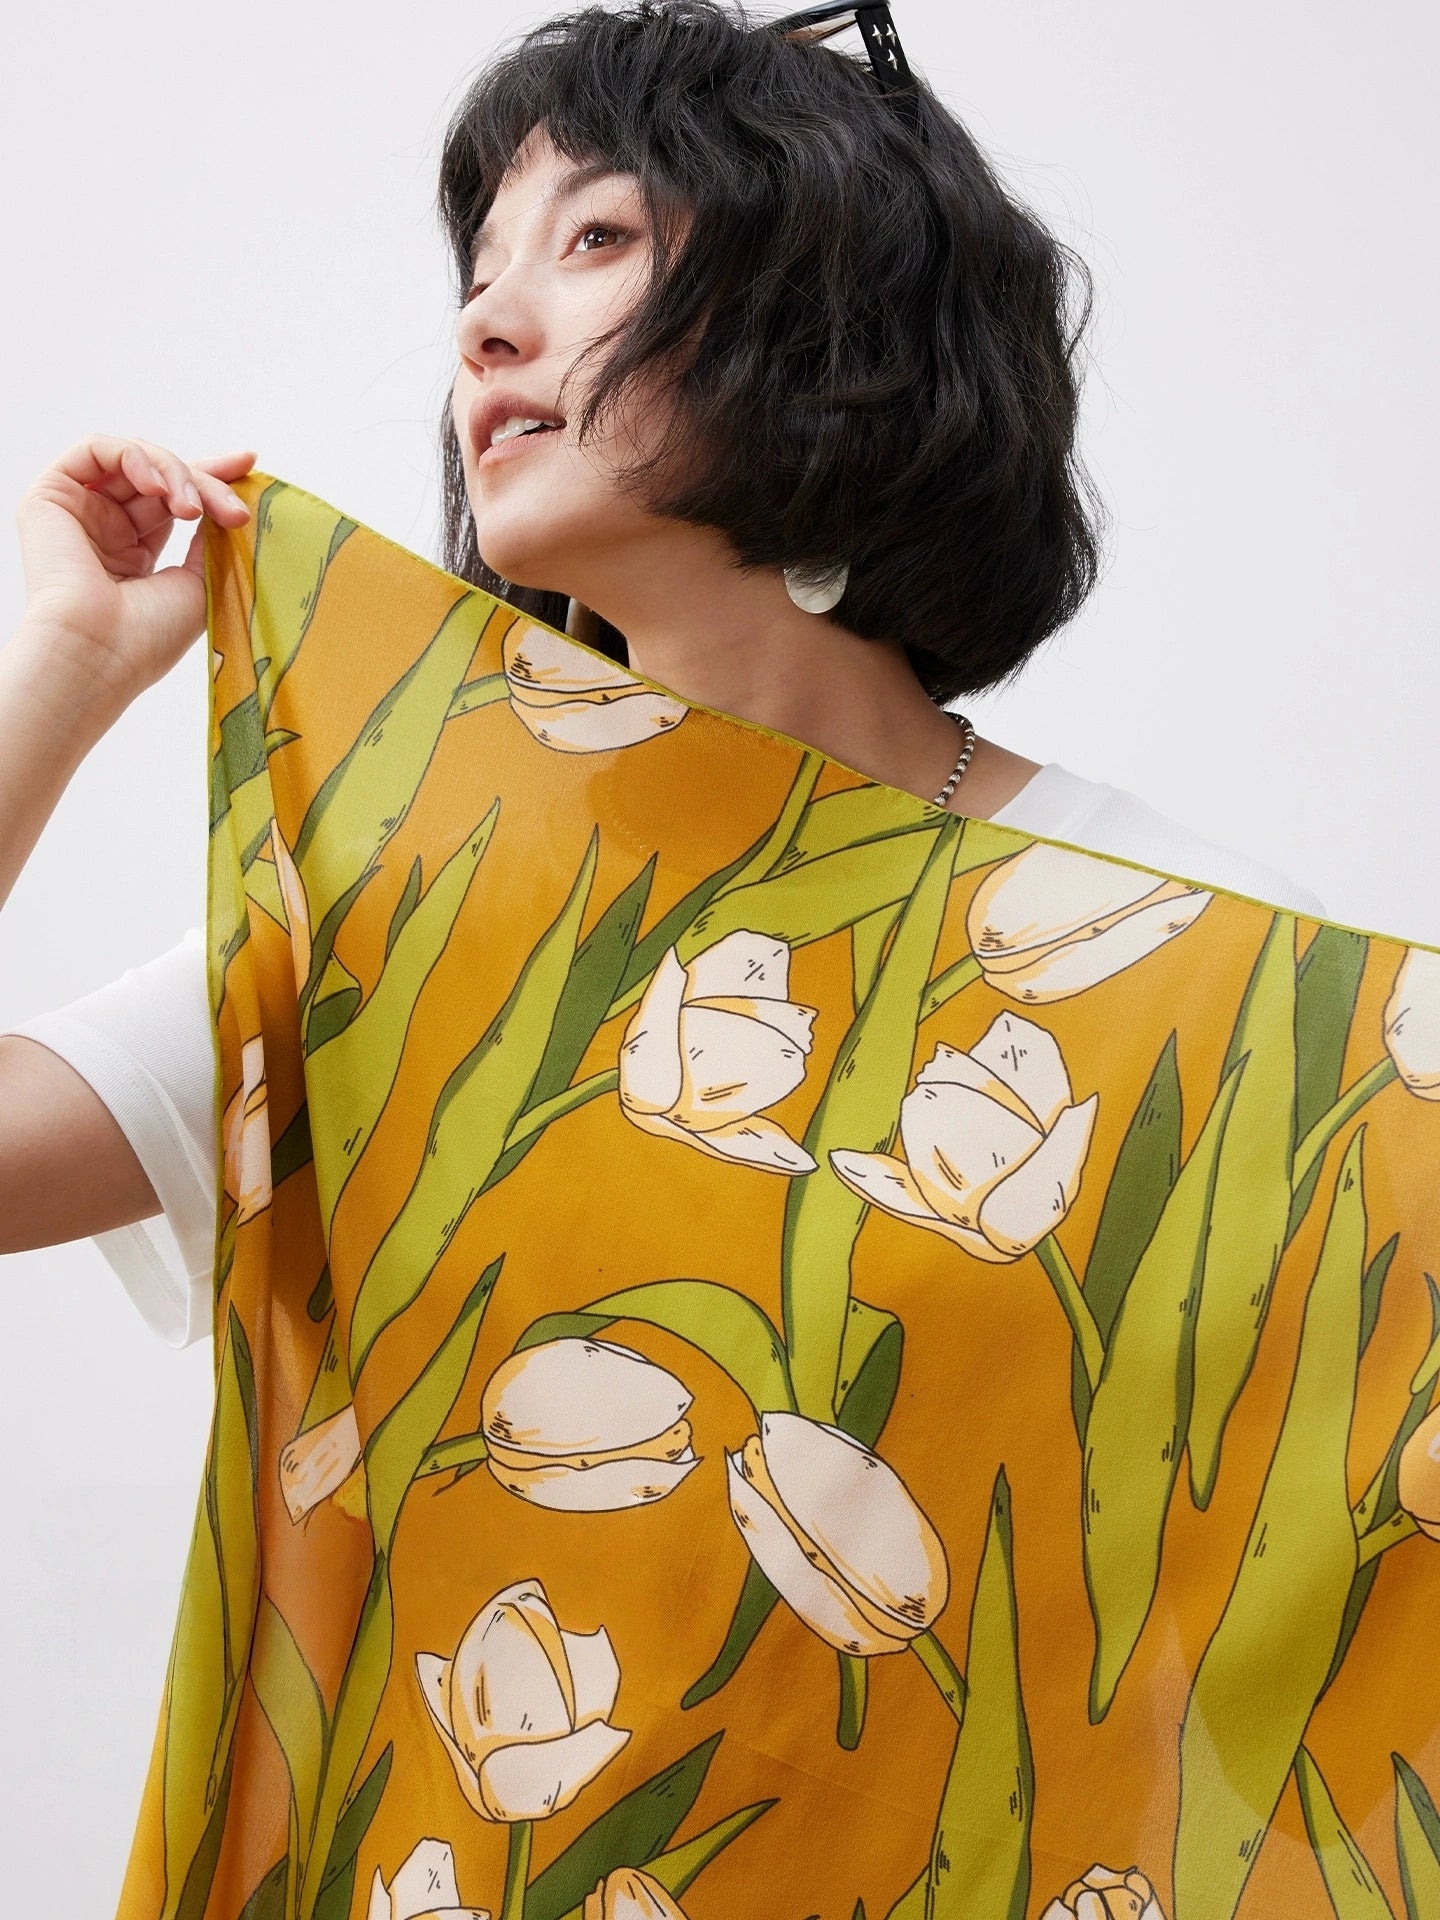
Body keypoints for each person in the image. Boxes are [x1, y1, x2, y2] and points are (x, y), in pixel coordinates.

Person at [0, 0, 1324, 1355]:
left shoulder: (1206, 950)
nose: (485, 331)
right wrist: (68, 666)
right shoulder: (396, 930)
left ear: (833, 326)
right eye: (476, 277)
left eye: (595, 238)